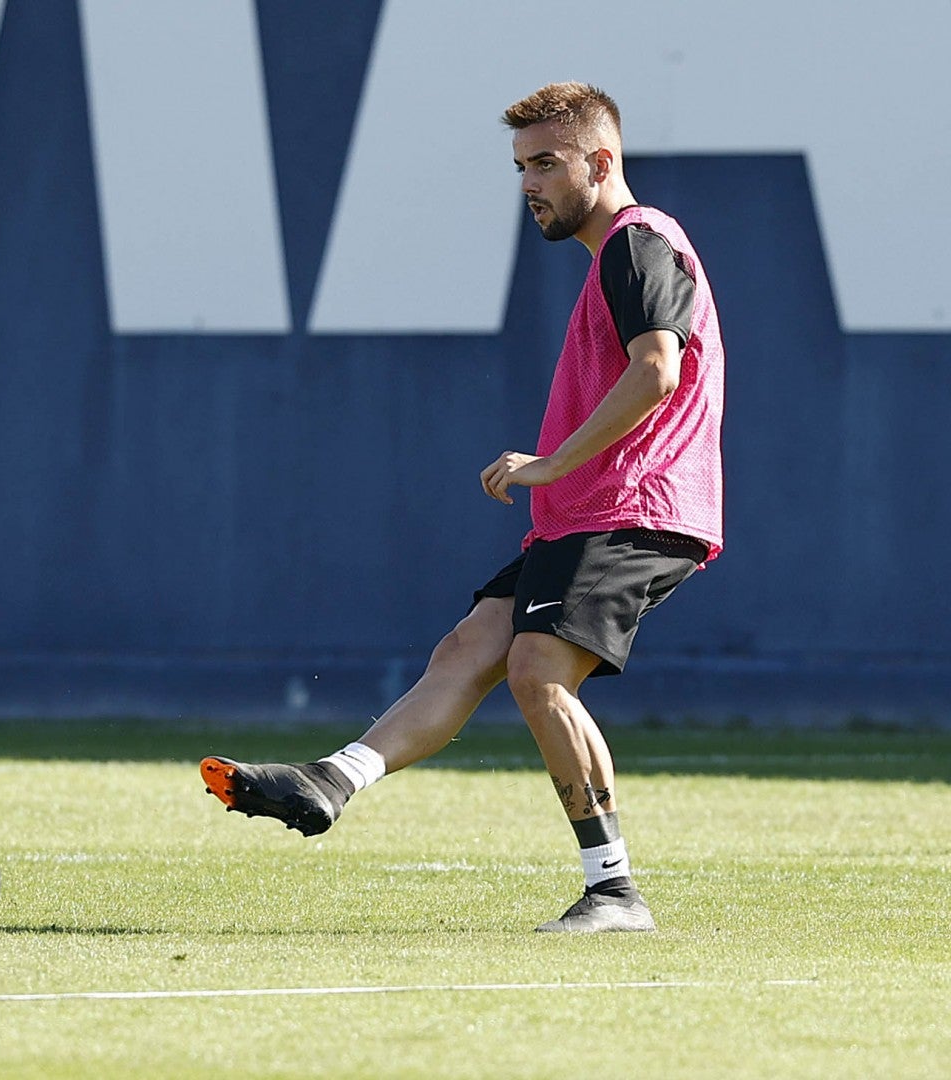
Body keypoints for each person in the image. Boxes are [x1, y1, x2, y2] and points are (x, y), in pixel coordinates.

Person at [201, 82, 724, 933]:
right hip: (586, 508)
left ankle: (613, 891)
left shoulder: (638, 240)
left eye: (548, 164)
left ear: (601, 161)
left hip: (629, 504)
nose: (531, 184)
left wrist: (552, 461)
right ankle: (332, 780)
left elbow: (657, 368)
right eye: (521, 167)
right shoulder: (615, 256)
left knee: (536, 673)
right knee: (470, 647)